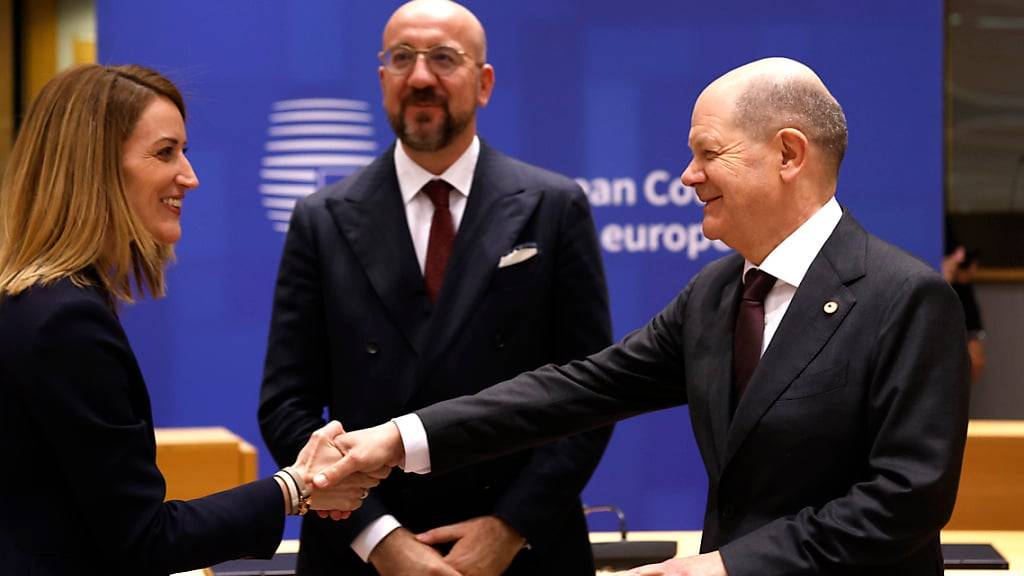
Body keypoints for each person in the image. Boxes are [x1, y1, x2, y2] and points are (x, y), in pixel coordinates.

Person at [314, 57, 971, 576]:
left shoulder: (904, 298)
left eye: (708, 153)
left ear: (789, 154)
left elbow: (905, 502)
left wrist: (728, 567)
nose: (688, 176)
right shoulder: (715, 296)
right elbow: (574, 391)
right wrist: (398, 440)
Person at [257, 1, 613, 574]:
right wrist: (380, 537)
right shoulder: (320, 219)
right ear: (382, 80)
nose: (420, 78)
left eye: (444, 59)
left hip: (522, 548)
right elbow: (286, 405)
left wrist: (509, 528)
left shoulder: (554, 207)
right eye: (402, 59)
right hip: (362, 550)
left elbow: (590, 394)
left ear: (485, 82)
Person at [0, 64, 387, 576]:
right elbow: (143, 540)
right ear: (95, 167)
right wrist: (294, 488)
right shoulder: (65, 322)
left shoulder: (32, 304)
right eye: (165, 152)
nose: (190, 175)